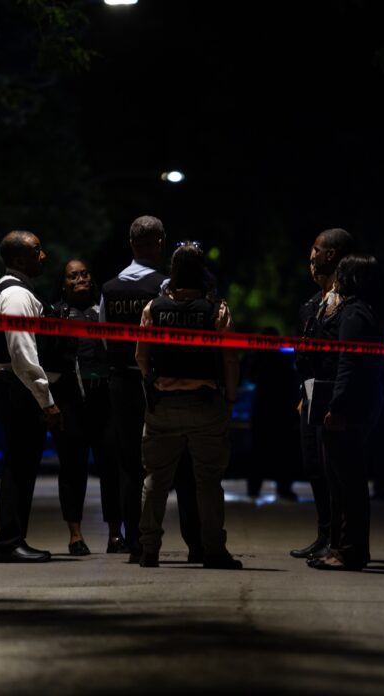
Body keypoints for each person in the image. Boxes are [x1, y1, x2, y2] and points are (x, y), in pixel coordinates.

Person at [99, 215, 202, 561]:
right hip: (156, 383)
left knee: (130, 465)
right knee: (182, 460)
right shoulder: (164, 286)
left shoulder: (109, 289)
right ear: (159, 243)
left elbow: (103, 339)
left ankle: (136, 541)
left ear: (131, 245)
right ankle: (196, 542)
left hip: (120, 383)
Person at [135, 243, 242, 570]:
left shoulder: (154, 308)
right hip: (206, 405)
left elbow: (141, 356)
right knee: (208, 483)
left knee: (155, 481)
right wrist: (231, 397)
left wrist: (153, 383)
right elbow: (229, 358)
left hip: (164, 405)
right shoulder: (217, 310)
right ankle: (213, 550)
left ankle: (149, 550)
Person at [307, 254, 384, 571]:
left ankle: (349, 551)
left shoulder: (354, 315)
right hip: (357, 402)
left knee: (347, 481)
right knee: (340, 481)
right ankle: (341, 547)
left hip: (349, 407)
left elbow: (348, 364)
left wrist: (337, 406)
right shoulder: (365, 312)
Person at [0, 230, 62, 563]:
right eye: (36, 250)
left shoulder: (15, 291)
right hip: (16, 388)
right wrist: (45, 399)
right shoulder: (16, 295)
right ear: (18, 259)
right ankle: (8, 541)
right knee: (19, 465)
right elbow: (23, 354)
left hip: (13, 386)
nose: (43, 256)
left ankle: (13, 539)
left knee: (22, 463)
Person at [49, 259, 127, 555]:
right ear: (64, 283)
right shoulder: (55, 314)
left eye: (84, 274)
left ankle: (115, 535)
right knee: (72, 469)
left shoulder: (102, 311)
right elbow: (47, 360)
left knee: (112, 468)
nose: (80, 279)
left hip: (104, 401)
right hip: (70, 402)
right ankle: (75, 535)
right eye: (73, 276)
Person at [290, 227, 359, 560]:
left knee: (336, 470)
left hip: (333, 394)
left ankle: (337, 539)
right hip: (311, 393)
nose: (311, 257)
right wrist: (303, 391)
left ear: (330, 254)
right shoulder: (312, 305)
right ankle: (324, 534)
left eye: (315, 250)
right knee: (314, 466)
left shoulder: (349, 306)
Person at [245, 326, 300, 501]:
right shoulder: (282, 360)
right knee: (281, 449)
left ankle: (256, 487)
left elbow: (250, 375)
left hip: (266, 408)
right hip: (279, 409)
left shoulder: (263, 359)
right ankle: (281, 487)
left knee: (260, 449)